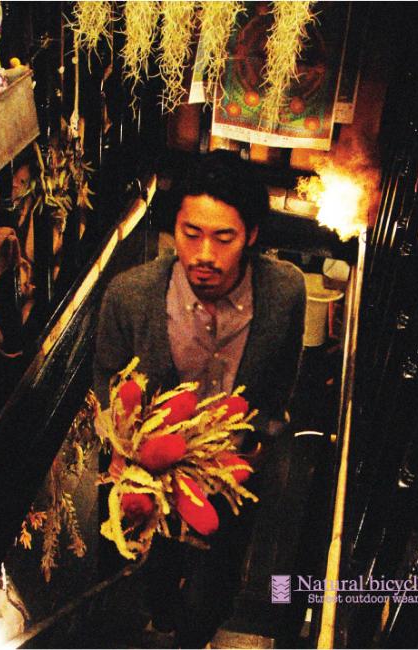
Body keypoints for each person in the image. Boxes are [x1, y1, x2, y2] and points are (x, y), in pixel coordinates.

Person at [93, 149, 306, 646]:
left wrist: (260, 440)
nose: (204, 254)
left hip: (232, 478)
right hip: (152, 480)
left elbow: (281, 381)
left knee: (215, 588)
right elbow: (106, 384)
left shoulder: (285, 292)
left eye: (223, 238)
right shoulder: (129, 296)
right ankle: (161, 616)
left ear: (252, 235)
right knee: (152, 581)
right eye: (191, 234)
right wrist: (122, 450)